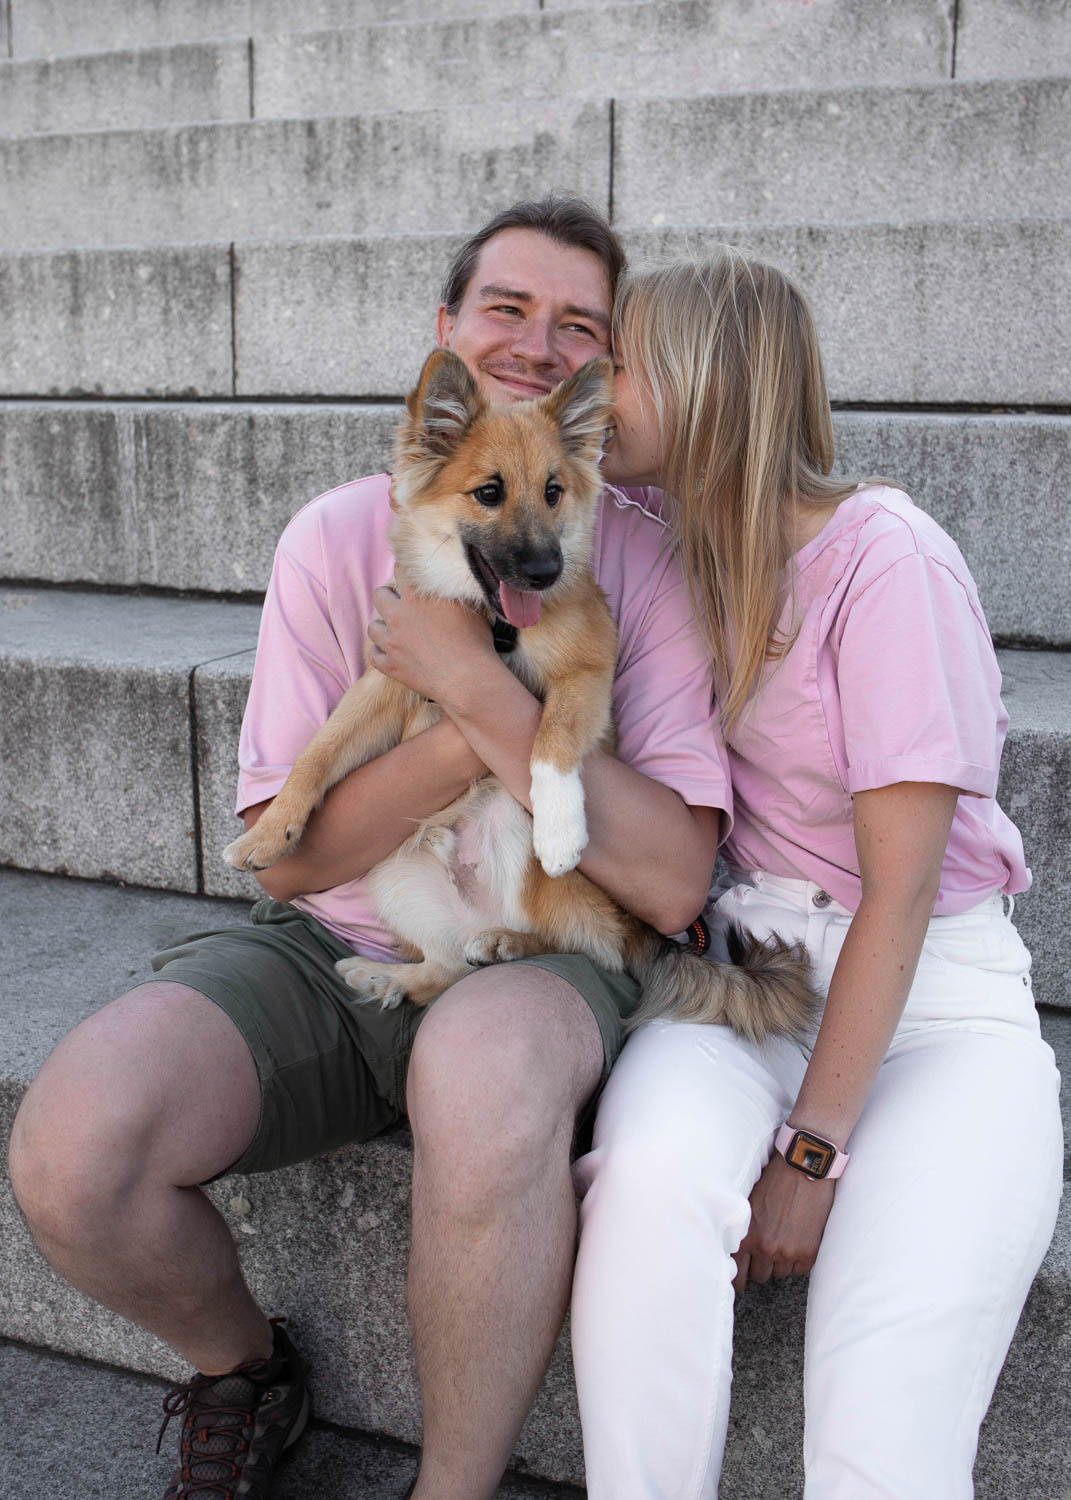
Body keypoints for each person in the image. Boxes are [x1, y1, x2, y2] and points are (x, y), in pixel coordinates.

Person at [7, 199, 730, 1500]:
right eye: (505, 308)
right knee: (71, 1152)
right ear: (444, 336)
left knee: (488, 1066)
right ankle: (246, 1373)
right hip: (340, 929)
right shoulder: (340, 537)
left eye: (577, 326)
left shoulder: (648, 558)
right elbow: (284, 863)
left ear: (604, 377)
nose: (533, 342)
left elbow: (676, 881)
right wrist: (461, 731)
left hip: (535, 933)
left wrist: (483, 688)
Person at [570, 252, 1064, 1498]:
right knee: (647, 1189)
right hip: (751, 971)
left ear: (705, 379)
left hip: (935, 1000)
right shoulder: (650, 542)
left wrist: (809, 1156)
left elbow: (901, 890)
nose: (594, 380)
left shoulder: (886, 559)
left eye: (620, 357)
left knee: (881, 1434)